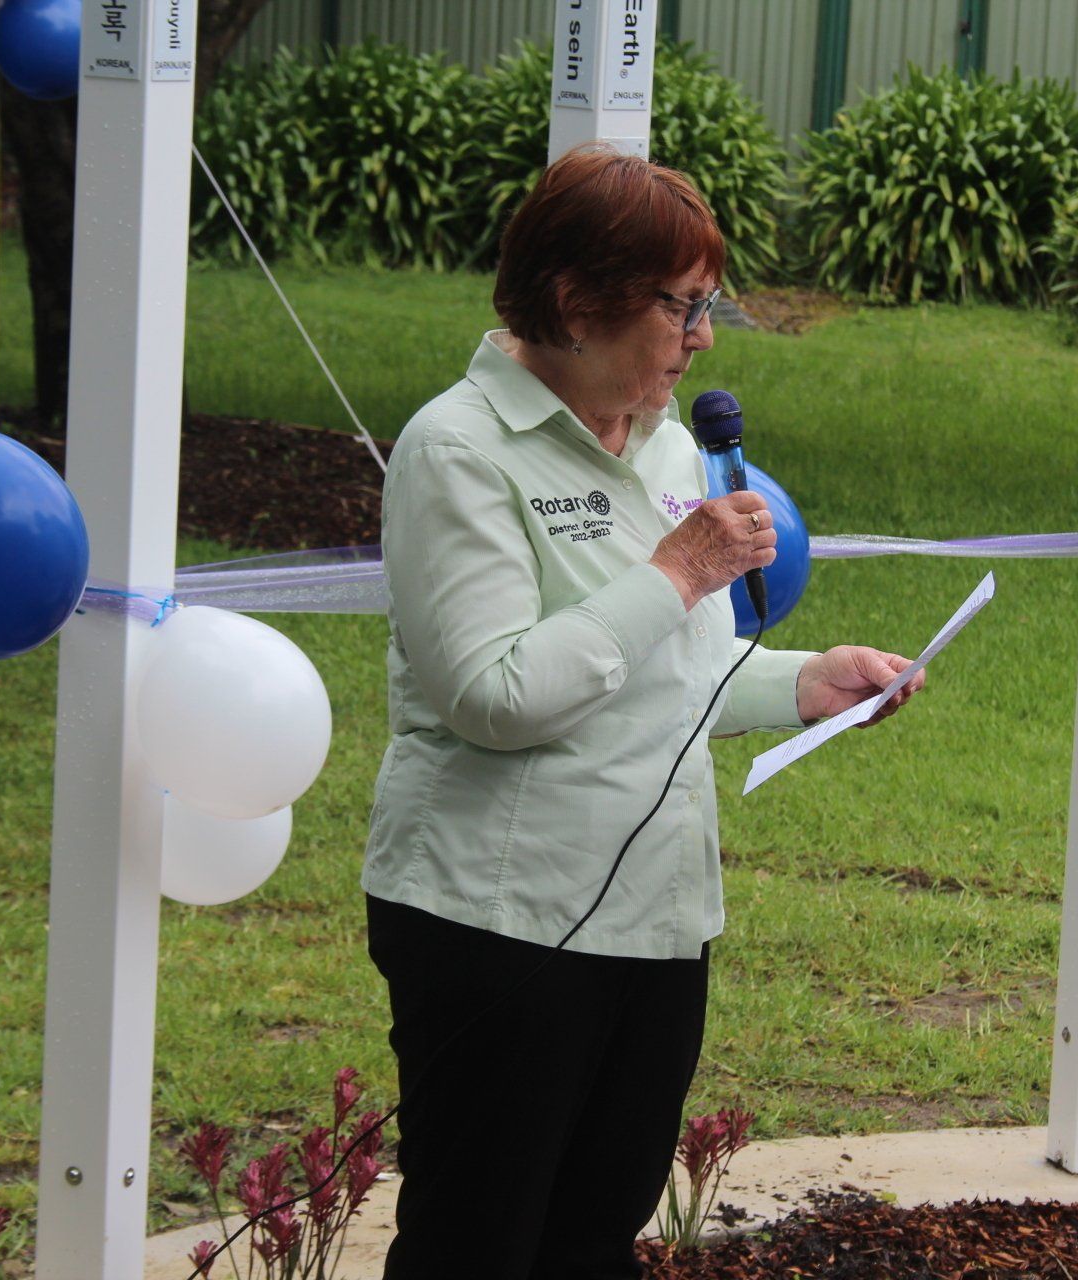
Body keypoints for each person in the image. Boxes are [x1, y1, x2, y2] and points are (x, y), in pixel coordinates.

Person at [362, 145, 926, 1279]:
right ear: (577, 302)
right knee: (478, 1245)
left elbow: (670, 666)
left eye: (708, 303)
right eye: (681, 305)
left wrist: (806, 683)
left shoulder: (665, 441)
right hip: (500, 920)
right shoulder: (458, 449)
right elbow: (494, 694)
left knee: (593, 1238)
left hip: (658, 918)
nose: (703, 337)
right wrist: (675, 571)